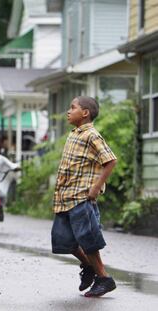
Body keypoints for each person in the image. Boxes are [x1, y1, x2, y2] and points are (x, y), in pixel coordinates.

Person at [51, 96, 117, 297]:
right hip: (65, 198)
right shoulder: (74, 134)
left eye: (73, 108)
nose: (68, 111)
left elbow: (110, 160)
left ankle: (104, 279)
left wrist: (96, 187)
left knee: (87, 239)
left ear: (85, 113)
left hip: (81, 197)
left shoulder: (91, 135)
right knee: (63, 241)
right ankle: (89, 267)